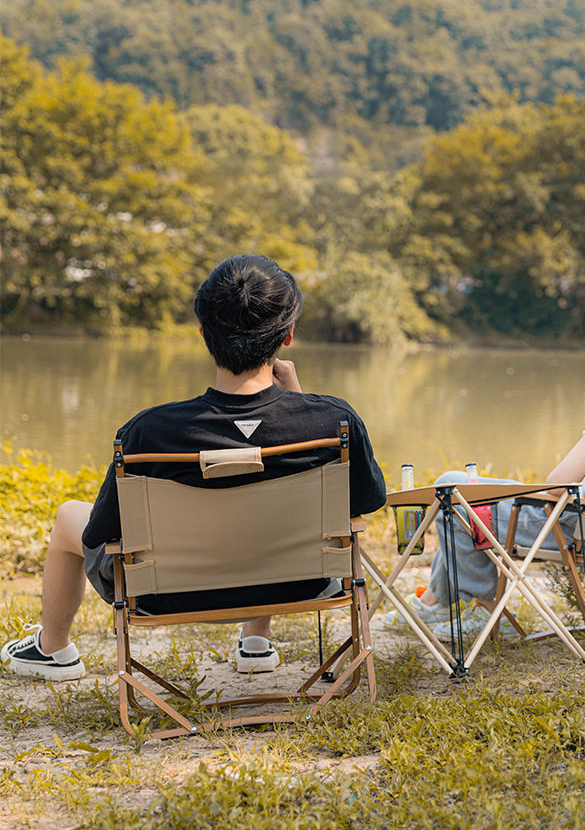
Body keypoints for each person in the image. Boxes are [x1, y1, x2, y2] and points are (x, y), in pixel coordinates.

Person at [2, 254, 386, 681]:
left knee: (68, 516)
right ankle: (255, 644)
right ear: (288, 335)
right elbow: (370, 500)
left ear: (203, 331)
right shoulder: (334, 422)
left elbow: (100, 533)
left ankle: (53, 650)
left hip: (167, 595)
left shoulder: (148, 432)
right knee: (262, 492)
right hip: (299, 585)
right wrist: (300, 402)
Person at [391, 276, 585, 640]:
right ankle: (434, 600)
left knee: (453, 488)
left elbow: (555, 486)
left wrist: (503, 494)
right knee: (466, 488)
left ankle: (479, 610)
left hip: (584, 532)